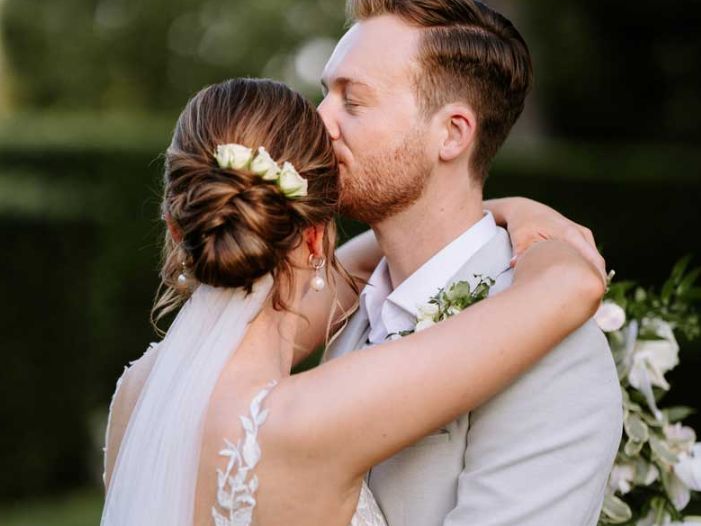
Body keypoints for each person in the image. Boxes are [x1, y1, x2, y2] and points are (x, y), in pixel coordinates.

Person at [100, 77, 609, 526]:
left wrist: (495, 211)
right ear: (318, 238)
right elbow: (572, 287)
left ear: (174, 225)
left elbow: (357, 265)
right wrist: (524, 214)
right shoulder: (314, 417)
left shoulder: (138, 394)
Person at [319, 0, 622, 525]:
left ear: (453, 134)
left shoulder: (555, 350)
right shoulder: (348, 302)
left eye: (353, 100)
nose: (320, 121)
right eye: (325, 93)